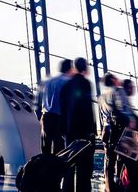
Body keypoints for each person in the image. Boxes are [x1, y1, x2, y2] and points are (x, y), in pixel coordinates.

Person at [59, 57, 96, 192]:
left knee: (68, 163)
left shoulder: (65, 86)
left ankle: (66, 189)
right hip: (83, 131)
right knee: (84, 168)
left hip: (69, 131)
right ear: (85, 67)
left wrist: (63, 129)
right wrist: (91, 130)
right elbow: (86, 108)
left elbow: (62, 109)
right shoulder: (85, 83)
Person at [36, 59, 74, 155]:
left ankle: (44, 168)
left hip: (46, 117)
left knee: (45, 148)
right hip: (59, 118)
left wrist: (40, 116)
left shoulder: (47, 81)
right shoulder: (68, 82)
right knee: (59, 149)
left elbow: (38, 101)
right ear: (70, 69)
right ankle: (56, 169)